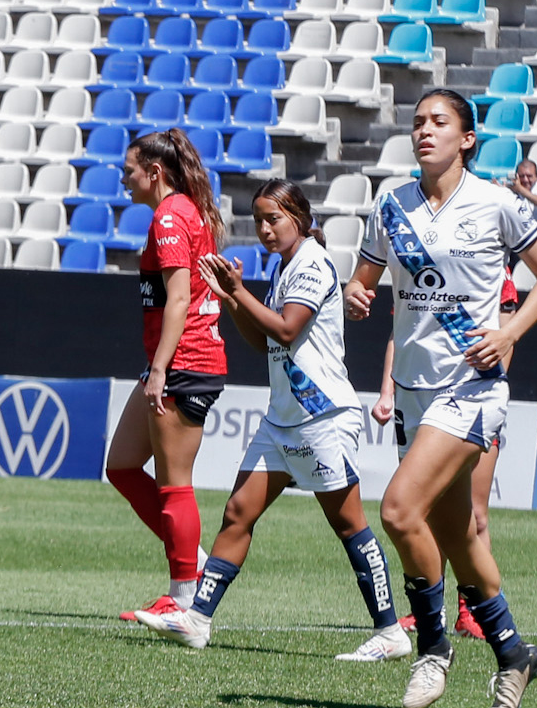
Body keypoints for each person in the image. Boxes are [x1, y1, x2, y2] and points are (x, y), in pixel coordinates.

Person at [345, 89, 537, 708]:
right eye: (417, 122)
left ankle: (433, 648)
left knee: (397, 509)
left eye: (439, 122)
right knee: (459, 537)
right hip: (415, 391)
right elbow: (361, 282)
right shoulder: (392, 204)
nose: (425, 131)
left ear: (467, 139)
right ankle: (514, 653)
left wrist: (507, 333)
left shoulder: (497, 203)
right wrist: (354, 296)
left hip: (471, 388)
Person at [134, 180, 407, 661]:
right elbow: (265, 343)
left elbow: (286, 327)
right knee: (238, 512)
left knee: (349, 525)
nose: (264, 229)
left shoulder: (313, 263)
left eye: (273, 218)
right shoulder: (286, 267)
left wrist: (239, 289)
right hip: (283, 420)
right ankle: (197, 620)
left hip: (321, 417)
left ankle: (390, 631)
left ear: (299, 218)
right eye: (259, 219)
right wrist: (233, 300)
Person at [105, 129, 229, 622]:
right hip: (175, 359)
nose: (122, 179)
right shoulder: (179, 212)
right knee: (122, 464)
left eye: (129, 170)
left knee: (174, 482)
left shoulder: (170, 215)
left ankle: (183, 598)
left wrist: (159, 369)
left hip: (184, 361)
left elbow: (179, 297)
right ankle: (189, 564)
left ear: (154, 172)